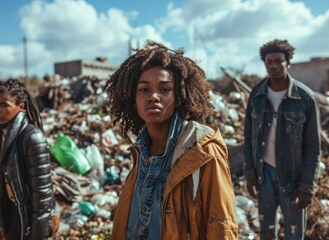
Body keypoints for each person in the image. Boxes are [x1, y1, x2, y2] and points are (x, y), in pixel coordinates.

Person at [105, 41, 238, 239]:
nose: (153, 97)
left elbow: (222, 225)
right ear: (133, 98)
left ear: (180, 96)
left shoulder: (203, 150)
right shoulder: (140, 152)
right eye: (144, 90)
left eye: (165, 89)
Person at [243, 39, 321, 239]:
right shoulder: (257, 94)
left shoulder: (304, 97)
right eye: (269, 62)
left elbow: (313, 146)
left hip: (293, 176)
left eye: (279, 61)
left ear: (289, 63)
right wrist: (250, 174)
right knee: (267, 231)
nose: (274, 66)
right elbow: (248, 137)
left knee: (294, 234)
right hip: (264, 174)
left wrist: (306, 186)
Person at [0, 79, 59, 239]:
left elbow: (42, 192)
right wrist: (2, 222)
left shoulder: (32, 137)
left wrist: (39, 232)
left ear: (21, 106)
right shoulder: (2, 136)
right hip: (13, 212)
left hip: (31, 215)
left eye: (4, 105)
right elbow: (1, 185)